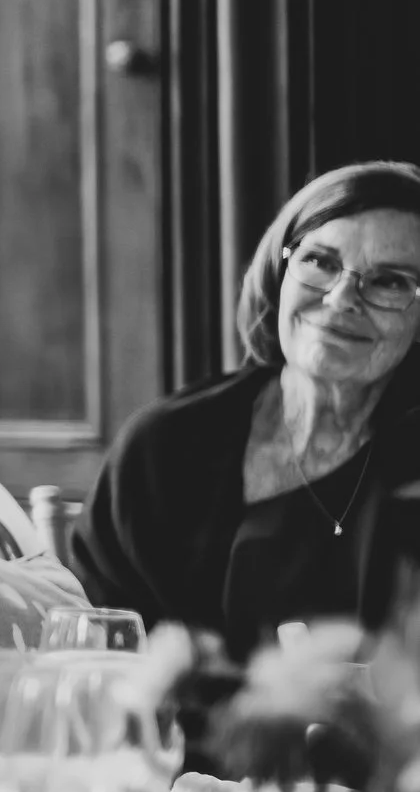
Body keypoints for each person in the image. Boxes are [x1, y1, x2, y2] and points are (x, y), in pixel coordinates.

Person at [71, 161, 420, 659]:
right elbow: (93, 656)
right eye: (320, 261)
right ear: (281, 272)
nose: (341, 298)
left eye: (389, 281)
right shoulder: (163, 449)